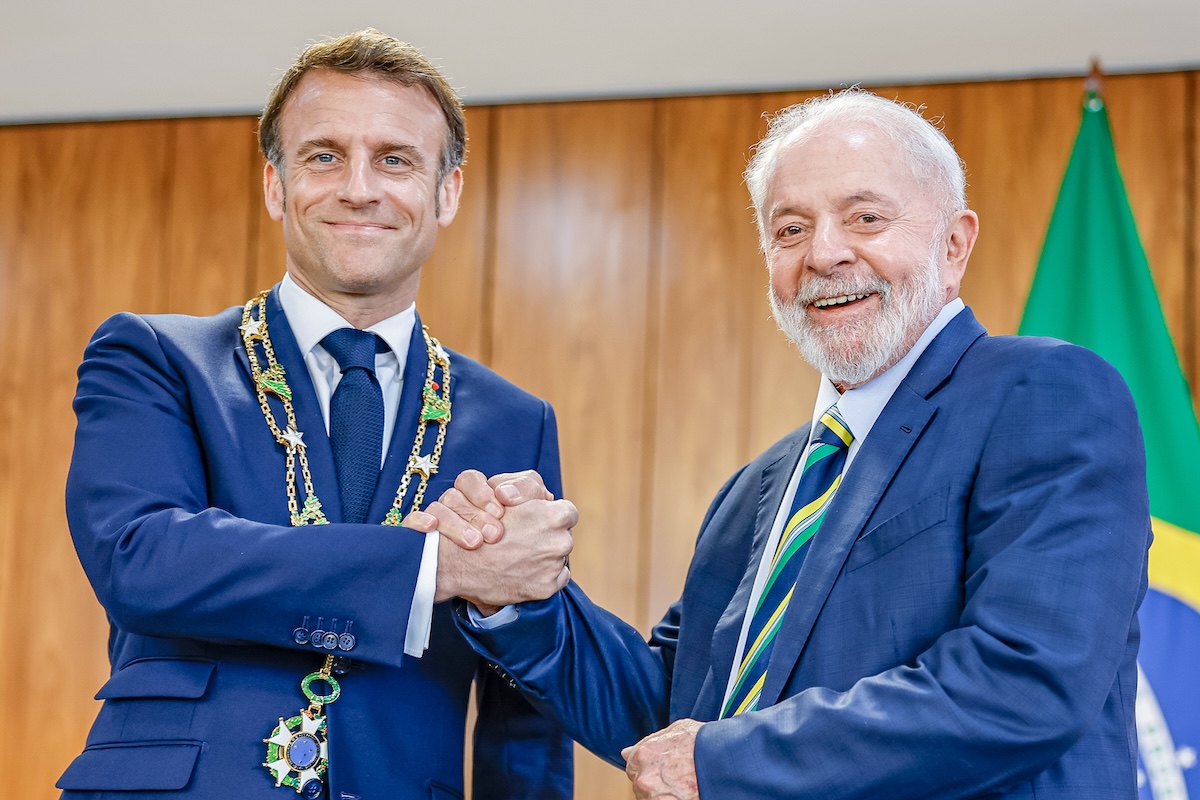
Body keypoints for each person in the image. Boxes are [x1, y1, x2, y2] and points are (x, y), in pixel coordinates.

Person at [437, 89, 1152, 798]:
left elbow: (1024, 680)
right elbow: (674, 716)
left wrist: (724, 763)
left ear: (954, 244)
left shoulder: (1045, 392)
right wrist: (518, 594)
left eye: (866, 218)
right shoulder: (759, 489)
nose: (824, 254)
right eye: (790, 230)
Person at [57, 29, 575, 800]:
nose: (359, 188)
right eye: (325, 156)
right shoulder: (155, 357)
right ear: (276, 185)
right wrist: (436, 568)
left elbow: (525, 704)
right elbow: (142, 559)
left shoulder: (516, 421)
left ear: (447, 192)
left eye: (395, 160)